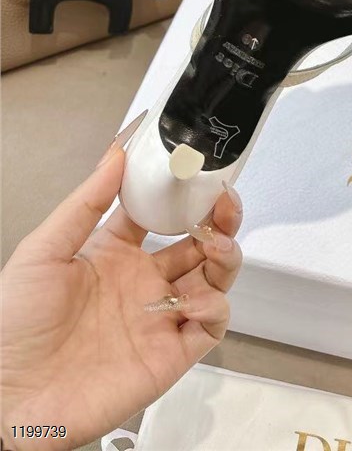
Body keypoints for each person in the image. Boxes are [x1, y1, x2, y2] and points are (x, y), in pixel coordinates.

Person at [0, 116, 243, 451]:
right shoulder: (24, 431)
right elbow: (23, 433)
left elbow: (20, 432)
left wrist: (15, 426)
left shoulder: (21, 429)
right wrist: (18, 431)